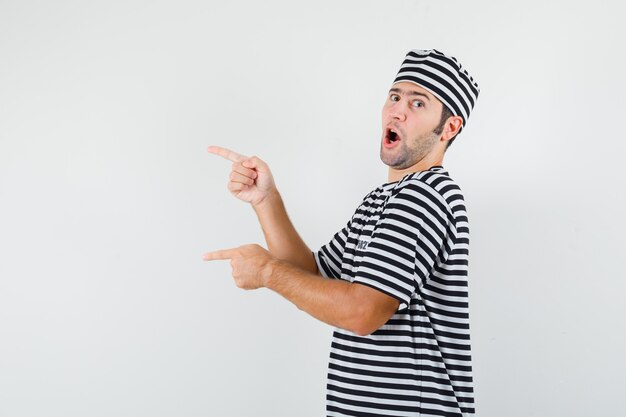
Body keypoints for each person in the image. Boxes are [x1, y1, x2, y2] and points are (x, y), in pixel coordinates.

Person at [204, 49, 480, 417]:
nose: (397, 110)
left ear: (449, 128)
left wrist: (267, 272)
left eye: (418, 103)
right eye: (395, 96)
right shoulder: (382, 199)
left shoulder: (425, 195)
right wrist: (266, 200)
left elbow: (362, 313)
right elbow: (311, 275)